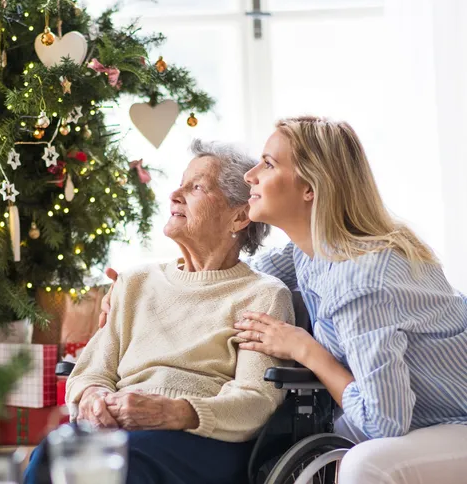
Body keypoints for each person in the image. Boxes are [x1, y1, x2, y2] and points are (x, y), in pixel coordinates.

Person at [101, 116, 467, 484]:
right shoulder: (310, 253)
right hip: (409, 417)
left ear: (309, 187)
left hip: (452, 420)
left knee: (365, 464)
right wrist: (141, 291)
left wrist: (305, 349)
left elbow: (383, 421)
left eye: (269, 164)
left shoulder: (362, 278)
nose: (251, 176)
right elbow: (231, 276)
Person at [24, 140, 295, 484]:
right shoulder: (135, 282)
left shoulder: (262, 295)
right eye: (180, 183)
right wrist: (94, 399)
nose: (175, 195)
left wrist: (177, 412)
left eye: (196, 187)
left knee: (120, 462)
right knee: (51, 454)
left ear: (239, 215)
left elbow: (256, 401)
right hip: (123, 431)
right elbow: (90, 373)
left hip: (206, 440)